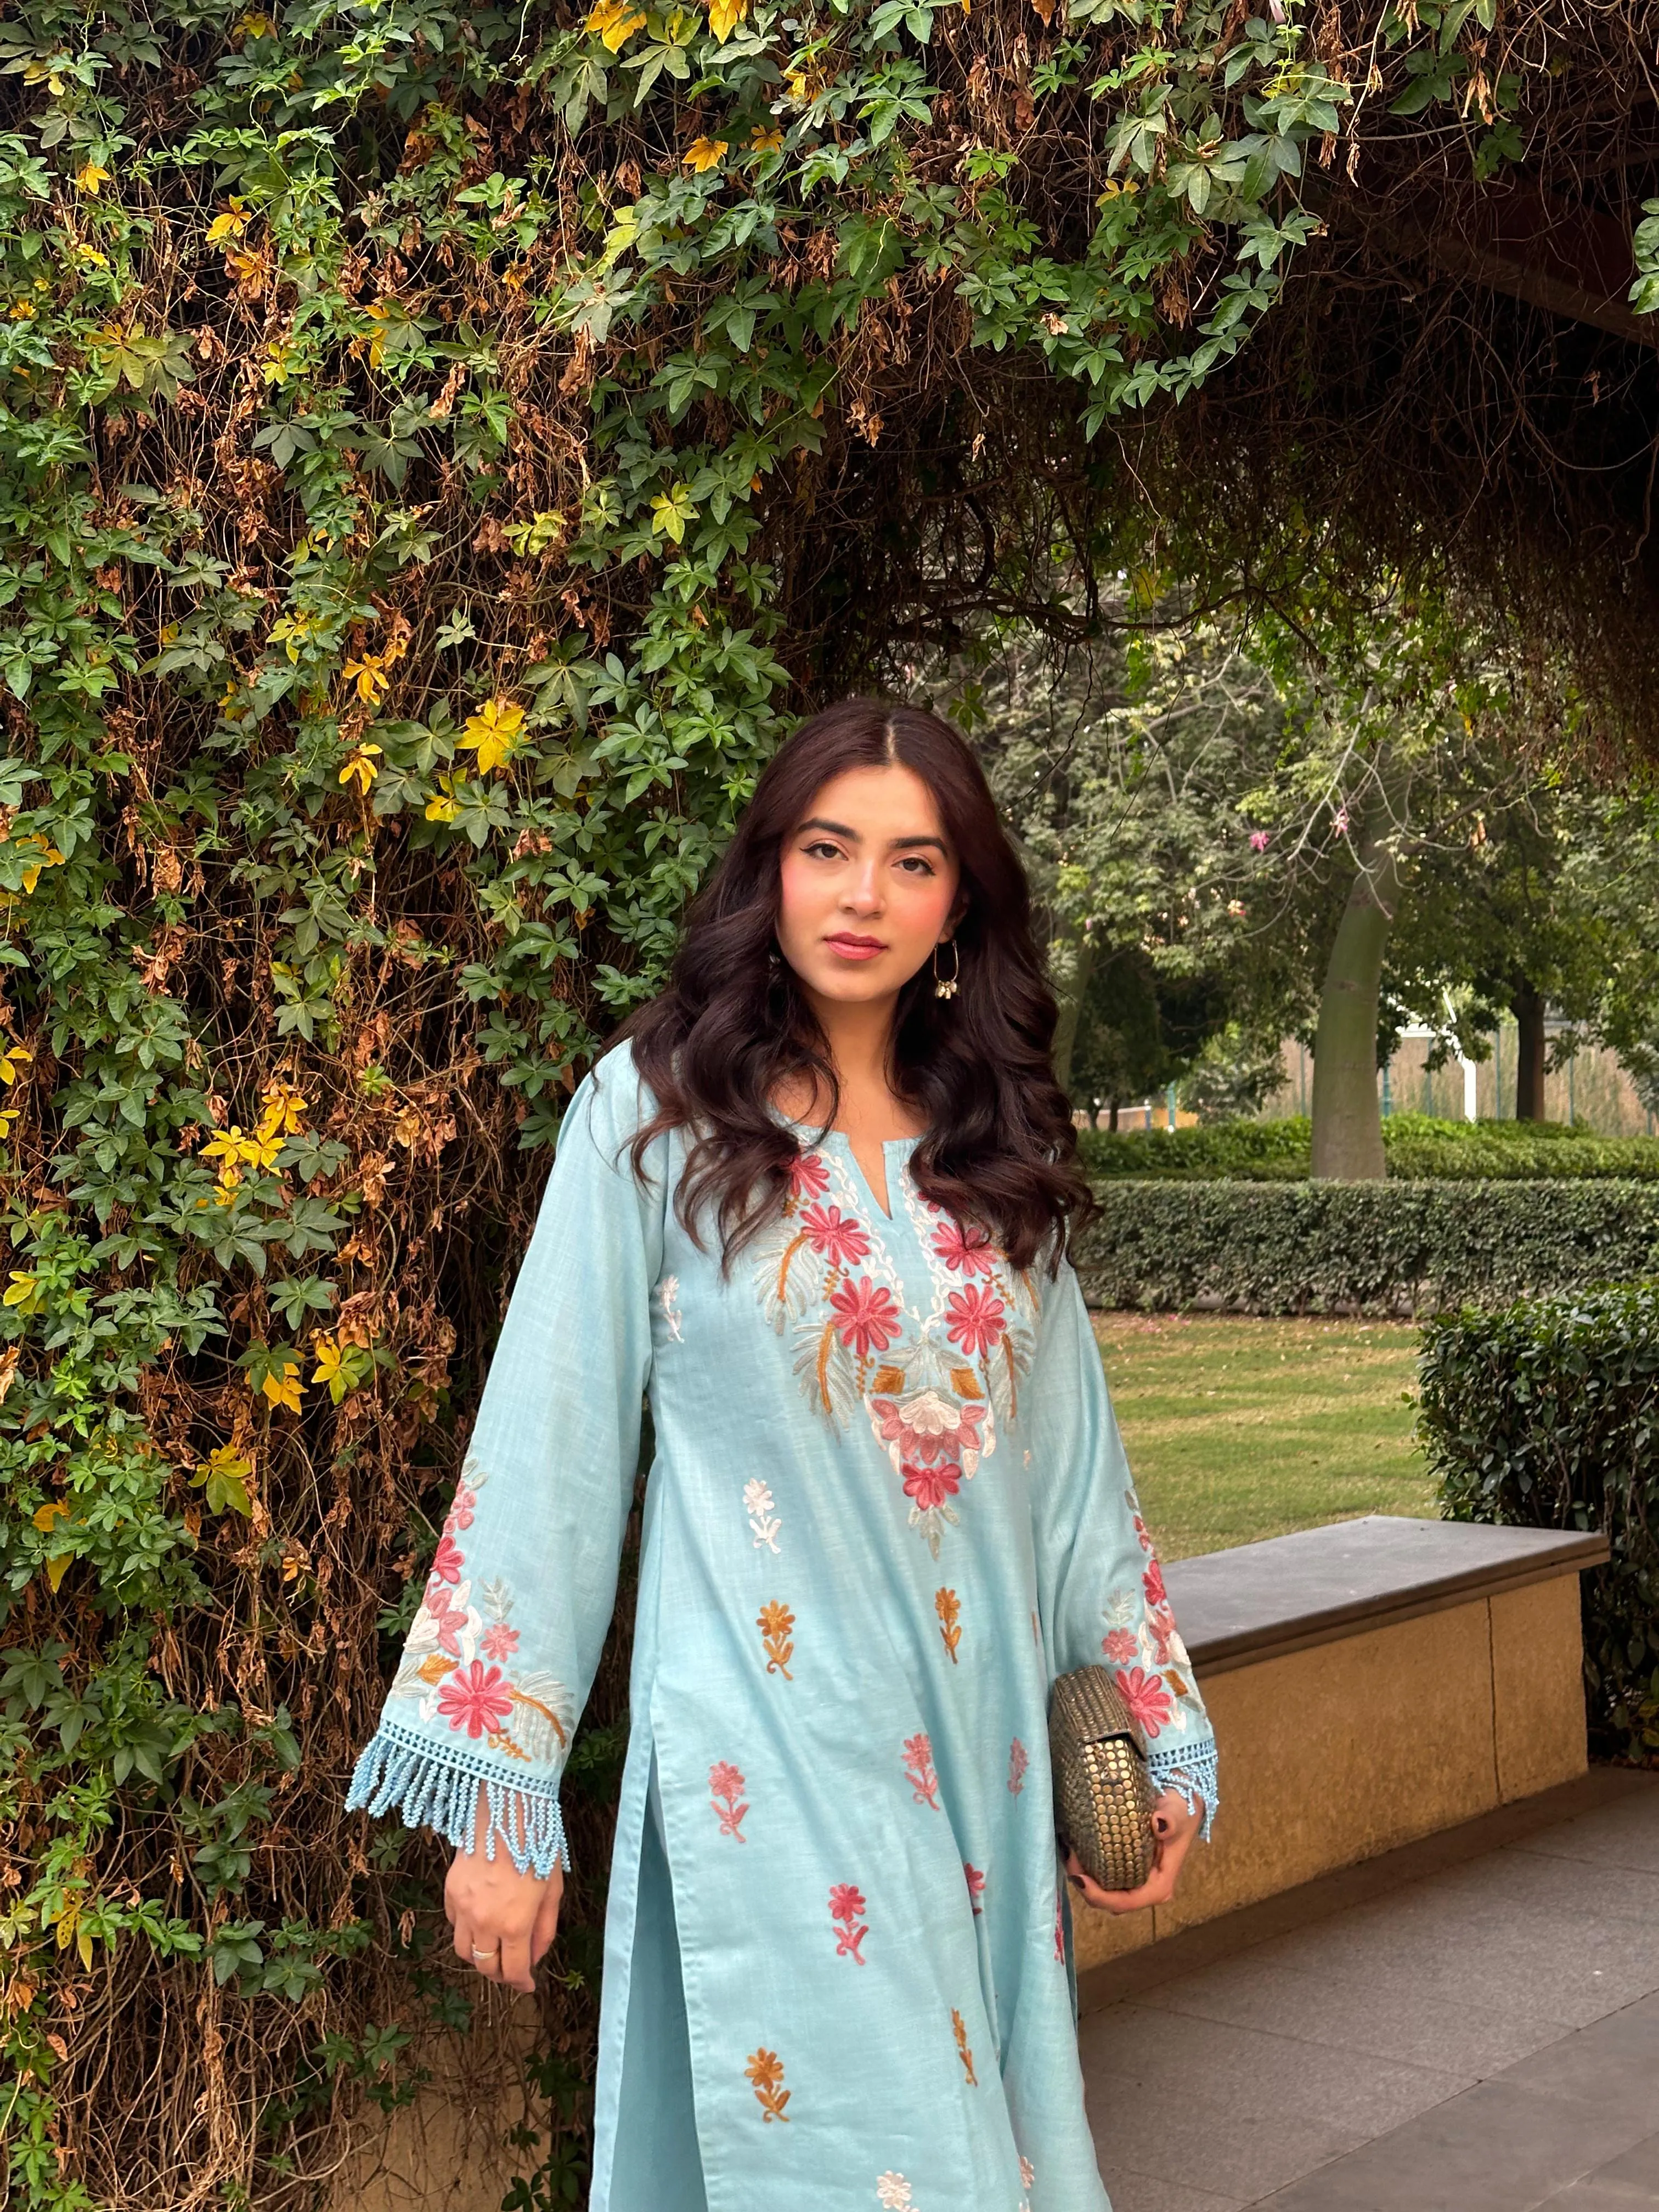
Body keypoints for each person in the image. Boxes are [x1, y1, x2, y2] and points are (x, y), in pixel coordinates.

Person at [346, 697, 1219, 2211]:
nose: (864, 895)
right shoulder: (660, 1121)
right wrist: (504, 1792)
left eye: (911, 860)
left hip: (988, 1763)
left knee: (973, 2151)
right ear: (772, 872)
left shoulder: (987, 1147)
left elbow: (1073, 1477)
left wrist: (1149, 1733)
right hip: (775, 1753)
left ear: (961, 903)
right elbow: (548, 1442)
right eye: (828, 850)